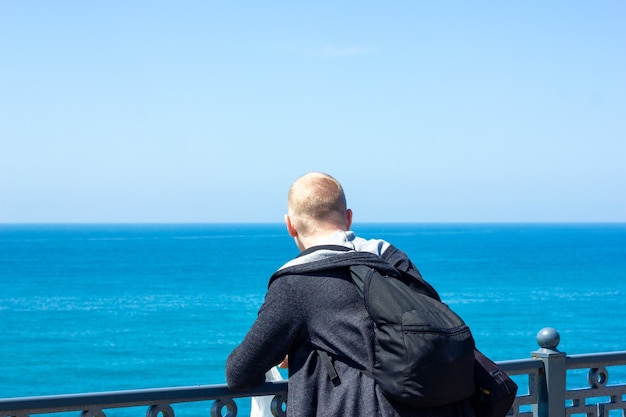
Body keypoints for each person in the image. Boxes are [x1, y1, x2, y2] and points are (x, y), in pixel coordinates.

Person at [226, 172, 474, 417]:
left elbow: (240, 372)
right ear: (349, 218)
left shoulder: (296, 283)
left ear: (290, 225)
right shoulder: (393, 260)